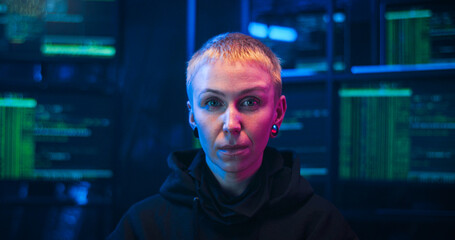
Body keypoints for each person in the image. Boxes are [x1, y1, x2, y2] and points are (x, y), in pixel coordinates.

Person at [108, 32, 357, 240]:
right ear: (192, 116)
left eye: (250, 102)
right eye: (213, 102)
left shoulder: (320, 226)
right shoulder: (144, 227)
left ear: (278, 113)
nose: (231, 124)